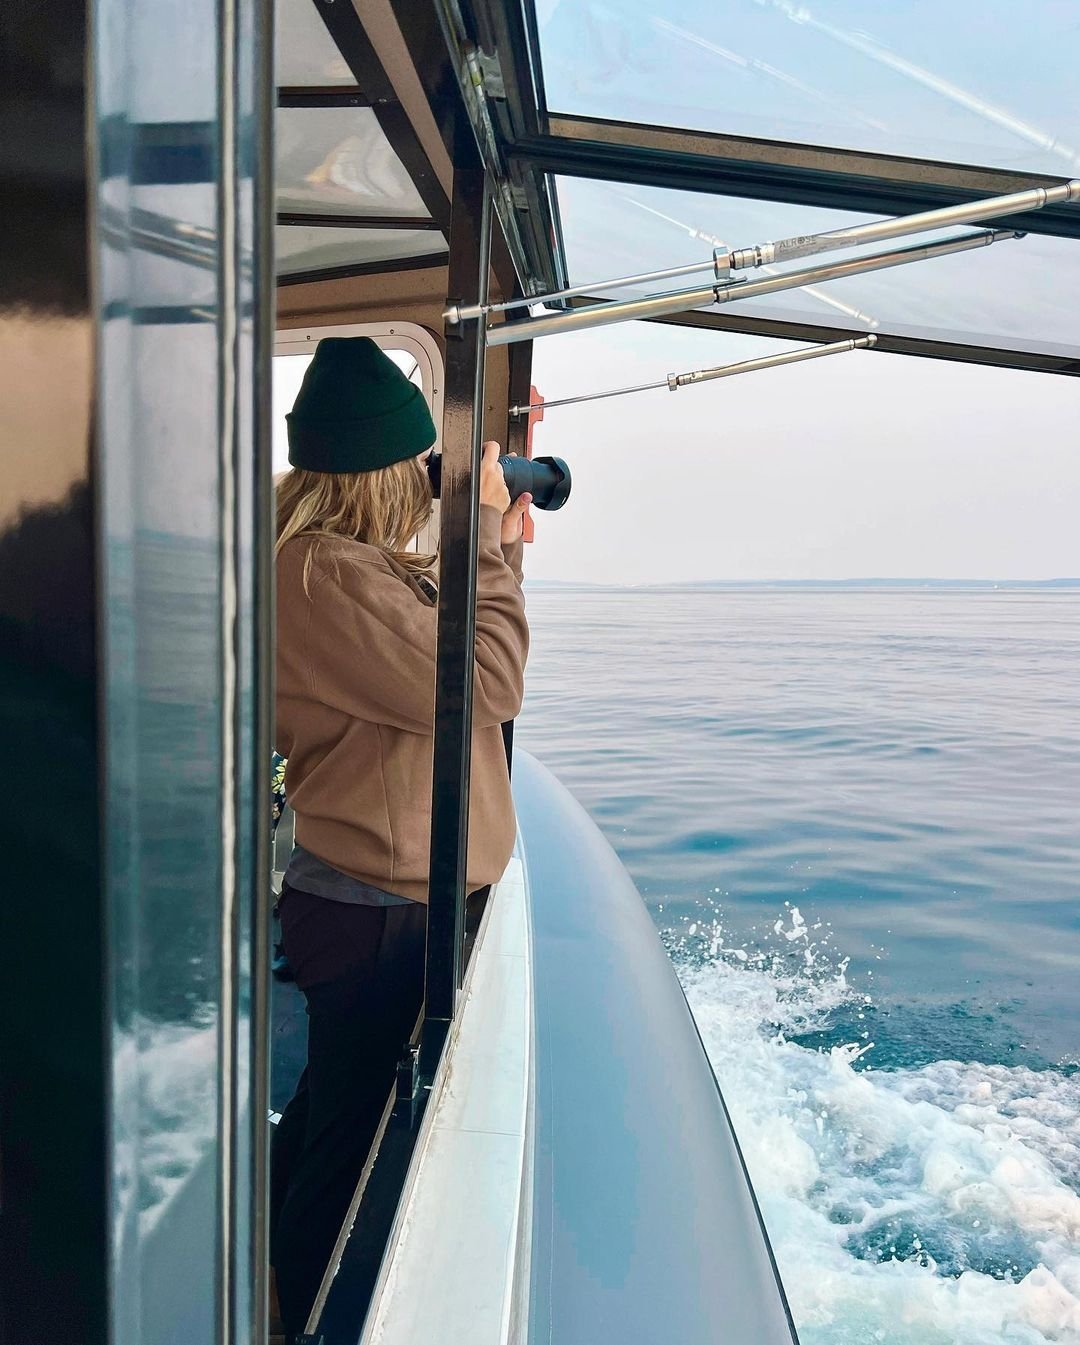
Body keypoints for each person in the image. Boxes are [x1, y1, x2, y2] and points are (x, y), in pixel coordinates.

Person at [269, 337, 529, 1338]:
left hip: (379, 902)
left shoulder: (345, 569)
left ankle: (276, 1274)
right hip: (379, 914)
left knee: (336, 1115)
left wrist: (465, 532)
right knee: (347, 1145)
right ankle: (297, 1312)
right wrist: (491, 548)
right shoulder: (322, 574)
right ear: (384, 471)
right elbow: (486, 685)